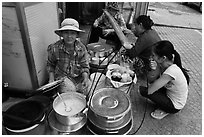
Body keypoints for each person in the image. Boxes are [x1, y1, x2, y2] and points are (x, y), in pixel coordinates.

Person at [139, 40, 190, 119]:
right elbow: (151, 80)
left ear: (163, 58)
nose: (151, 58)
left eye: (153, 55)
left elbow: (150, 90)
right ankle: (163, 103)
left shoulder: (171, 71)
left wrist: (154, 71)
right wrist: (154, 69)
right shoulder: (164, 64)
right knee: (147, 89)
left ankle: (166, 110)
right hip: (169, 93)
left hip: (175, 106)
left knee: (143, 90)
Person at [47, 18, 91, 95]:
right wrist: (51, 79)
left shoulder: (81, 48)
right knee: (71, 93)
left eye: (72, 33)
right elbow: (51, 64)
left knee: (89, 90)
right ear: (62, 34)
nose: (69, 36)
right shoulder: (54, 48)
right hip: (62, 77)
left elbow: (84, 66)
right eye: (66, 32)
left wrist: (86, 78)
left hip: (78, 76)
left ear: (77, 35)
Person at [122, 15, 161, 82]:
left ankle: (136, 74)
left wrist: (127, 47)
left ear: (140, 25)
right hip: (156, 63)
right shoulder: (152, 32)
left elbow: (133, 53)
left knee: (125, 55)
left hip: (150, 66)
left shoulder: (145, 37)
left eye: (135, 25)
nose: (135, 28)